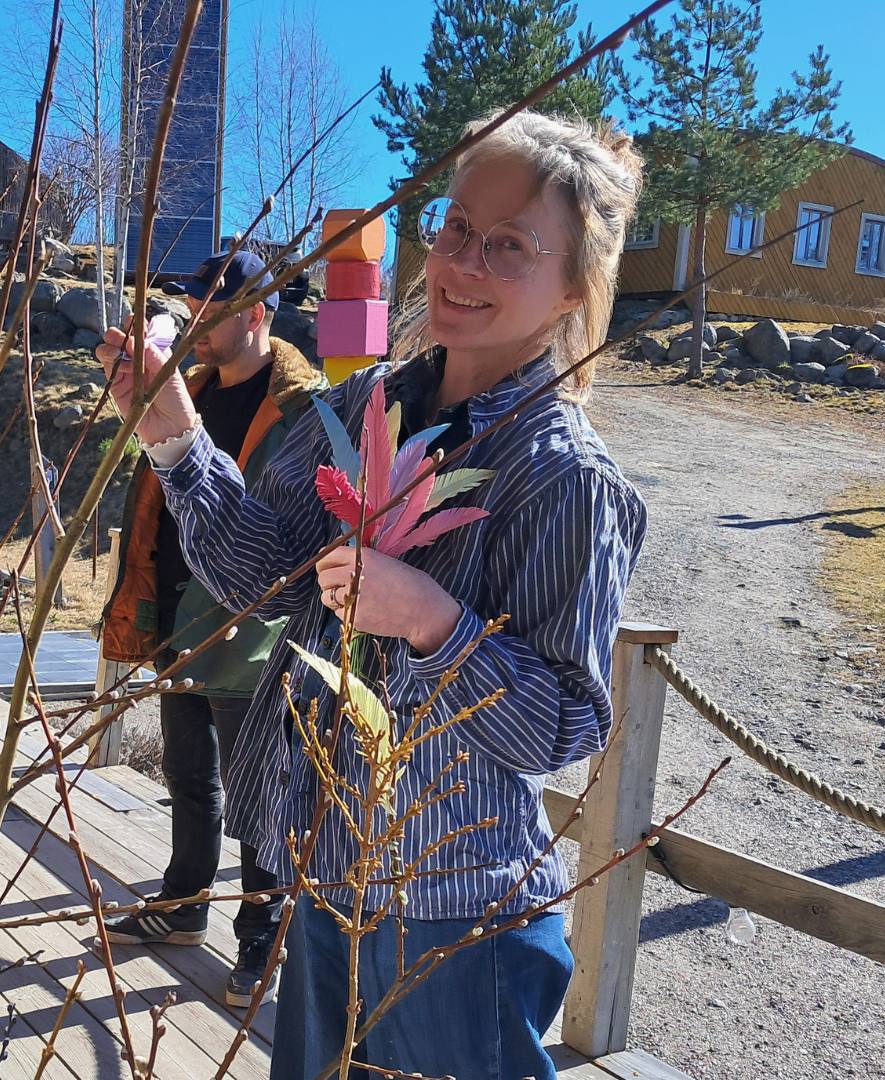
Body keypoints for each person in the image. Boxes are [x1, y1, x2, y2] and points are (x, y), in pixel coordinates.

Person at [96, 112, 648, 1079]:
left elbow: (563, 725)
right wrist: (177, 435)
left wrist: (434, 623)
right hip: (325, 877)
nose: (463, 261)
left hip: (455, 918)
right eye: (456, 226)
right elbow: (259, 573)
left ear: (573, 287)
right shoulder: (364, 407)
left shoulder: (565, 477)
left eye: (509, 244)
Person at [99, 249, 326, 1007]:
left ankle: (263, 940)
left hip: (251, 627)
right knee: (189, 779)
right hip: (175, 612)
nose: (193, 320)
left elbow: (298, 536)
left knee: (260, 789)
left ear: (256, 314)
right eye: (189, 306)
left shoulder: (303, 407)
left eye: (211, 309)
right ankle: (182, 905)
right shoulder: (184, 388)